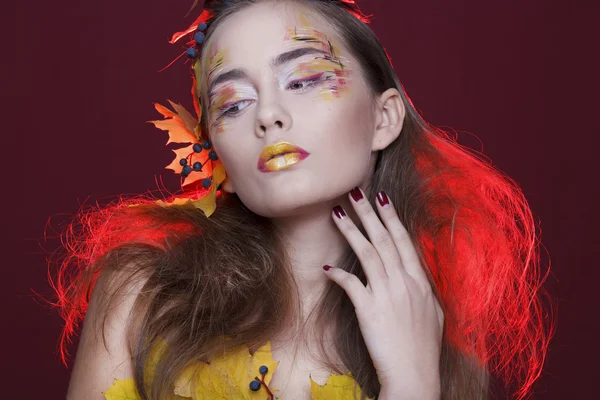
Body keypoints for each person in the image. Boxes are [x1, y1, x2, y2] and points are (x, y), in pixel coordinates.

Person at [53, 0, 553, 399]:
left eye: (304, 80)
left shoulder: (442, 356)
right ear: (218, 159)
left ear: (384, 119)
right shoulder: (142, 295)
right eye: (234, 103)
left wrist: (414, 387)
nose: (268, 116)